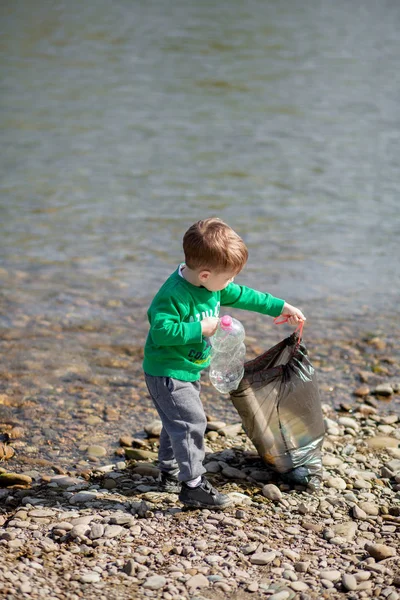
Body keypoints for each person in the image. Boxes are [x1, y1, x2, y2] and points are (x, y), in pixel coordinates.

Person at [143, 217, 305, 509]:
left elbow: (244, 295)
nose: (231, 283)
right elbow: (160, 331)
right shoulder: (172, 296)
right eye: (228, 277)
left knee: (175, 421)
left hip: (187, 368)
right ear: (205, 275)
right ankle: (193, 485)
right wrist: (200, 330)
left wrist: (281, 307)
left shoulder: (211, 285)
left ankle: (169, 472)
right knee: (192, 422)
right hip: (167, 372)